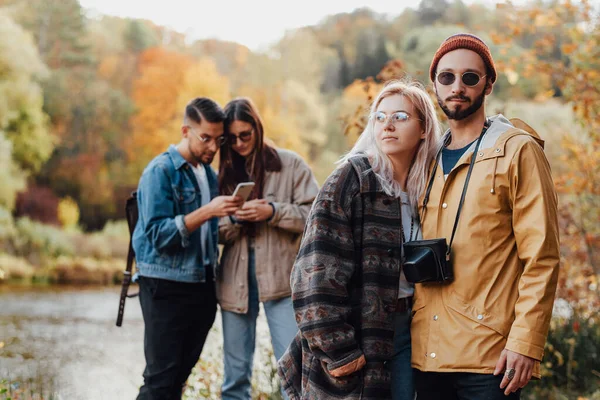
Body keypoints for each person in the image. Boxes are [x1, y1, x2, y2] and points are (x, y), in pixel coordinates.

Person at [411, 33, 560, 399]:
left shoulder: (517, 151)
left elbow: (541, 258)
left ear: (488, 83)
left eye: (470, 77)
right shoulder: (422, 159)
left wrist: (525, 342)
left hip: (489, 359)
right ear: (435, 84)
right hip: (424, 356)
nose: (457, 87)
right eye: (447, 77)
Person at [278, 80, 441, 400]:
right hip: (355, 332)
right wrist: (339, 348)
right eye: (380, 117)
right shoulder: (353, 178)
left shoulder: (428, 189)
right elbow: (313, 272)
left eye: (401, 117)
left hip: (408, 331)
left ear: (424, 129)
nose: (388, 125)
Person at [132, 97, 243, 400]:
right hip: (166, 288)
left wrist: (236, 216)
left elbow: (205, 234)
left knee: (179, 377)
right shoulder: (160, 171)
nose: (212, 147)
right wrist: (208, 211)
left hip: (203, 287)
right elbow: (157, 235)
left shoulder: (208, 174)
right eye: (205, 138)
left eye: (217, 140)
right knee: (160, 380)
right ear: (185, 131)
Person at [217, 97, 320, 400]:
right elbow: (214, 231)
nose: (238, 143)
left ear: (258, 129)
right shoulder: (222, 172)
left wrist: (273, 212)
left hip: (283, 281)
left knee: (295, 373)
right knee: (234, 378)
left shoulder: (291, 164)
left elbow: (315, 216)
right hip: (234, 283)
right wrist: (234, 218)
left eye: (244, 135)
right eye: (231, 138)